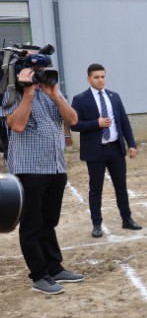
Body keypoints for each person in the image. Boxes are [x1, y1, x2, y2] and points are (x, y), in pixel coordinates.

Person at [0, 58, 84, 295]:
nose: (40, 76)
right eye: (35, 72)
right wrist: (27, 93)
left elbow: (73, 120)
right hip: (29, 170)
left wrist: (55, 94)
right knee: (32, 225)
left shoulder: (51, 93)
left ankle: (54, 268)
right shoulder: (12, 95)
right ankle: (39, 275)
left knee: (49, 222)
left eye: (42, 71)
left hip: (56, 168)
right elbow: (16, 125)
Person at [71, 63, 141, 238]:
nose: (100, 80)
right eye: (96, 77)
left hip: (115, 149)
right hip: (96, 151)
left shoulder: (114, 97)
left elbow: (124, 122)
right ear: (89, 79)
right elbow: (74, 125)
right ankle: (97, 224)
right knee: (96, 189)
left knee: (121, 187)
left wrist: (131, 144)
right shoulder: (80, 99)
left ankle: (127, 218)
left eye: (102, 76)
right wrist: (97, 123)